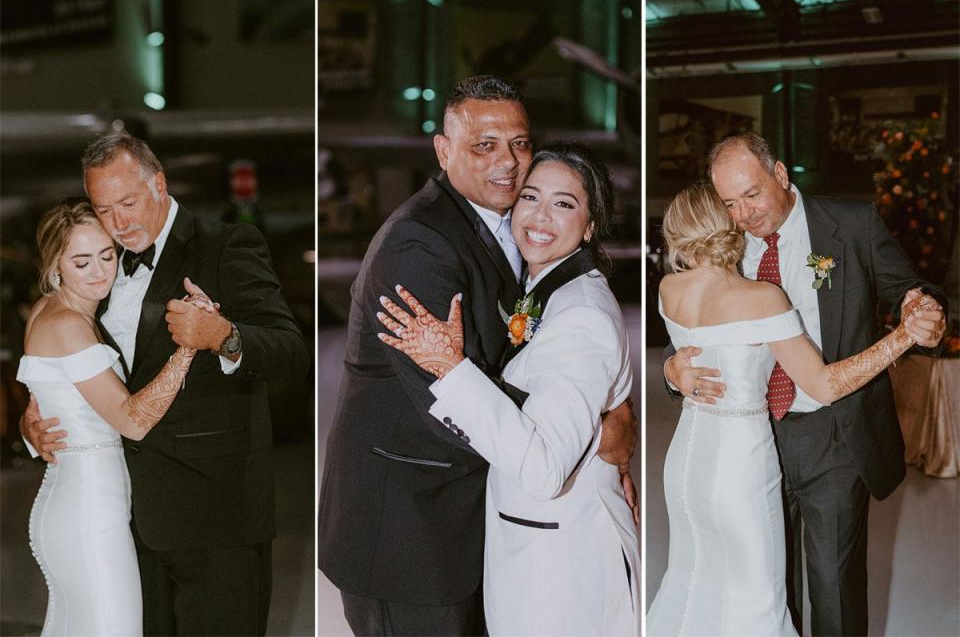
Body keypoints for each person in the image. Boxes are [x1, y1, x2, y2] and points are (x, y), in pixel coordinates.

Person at [317, 76, 637, 636]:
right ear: (444, 151)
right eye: (484, 145)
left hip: (463, 527)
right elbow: (444, 399)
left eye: (518, 143)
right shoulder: (418, 245)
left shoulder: (508, 234)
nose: (508, 163)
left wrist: (601, 411)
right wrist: (591, 428)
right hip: (407, 533)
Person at [21, 132, 309, 636]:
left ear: (159, 184)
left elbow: (290, 353)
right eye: (103, 209)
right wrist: (38, 416)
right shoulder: (97, 268)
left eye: (128, 203)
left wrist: (225, 336)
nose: (118, 223)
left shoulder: (226, 246)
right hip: (124, 525)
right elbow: (65, 358)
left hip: (215, 519)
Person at [661, 133, 947, 636]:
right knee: (768, 586)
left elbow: (912, 290)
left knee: (833, 586)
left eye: (751, 195)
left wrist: (923, 313)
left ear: (780, 174)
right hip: (749, 443)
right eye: (729, 203)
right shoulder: (723, 241)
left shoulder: (851, 224)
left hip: (830, 434)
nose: (744, 215)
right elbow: (697, 317)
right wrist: (671, 368)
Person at [17, 202, 211, 636]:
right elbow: (133, 420)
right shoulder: (69, 323)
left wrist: (29, 425)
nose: (100, 271)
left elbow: (47, 396)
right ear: (55, 265)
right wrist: (188, 348)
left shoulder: (48, 309)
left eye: (107, 255)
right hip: (89, 515)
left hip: (74, 502)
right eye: (81, 261)